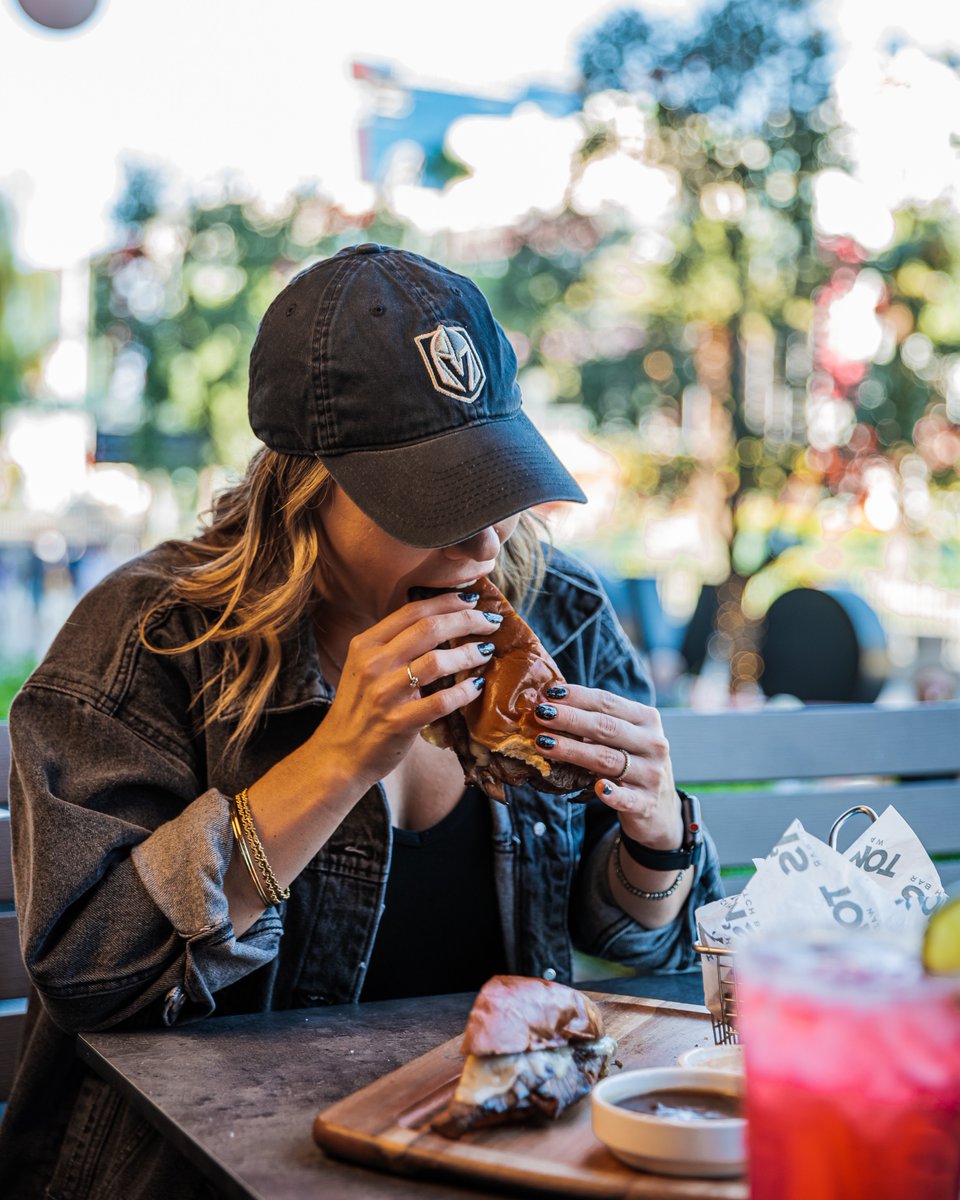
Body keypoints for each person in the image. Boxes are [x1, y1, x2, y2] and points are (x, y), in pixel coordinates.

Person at [0, 243, 723, 1198]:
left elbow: (643, 947)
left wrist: (657, 835)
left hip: (489, 1155)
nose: (485, 542)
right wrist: (338, 757)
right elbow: (93, 975)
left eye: (496, 485)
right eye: (440, 501)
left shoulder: (561, 612)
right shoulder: (152, 639)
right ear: (303, 492)